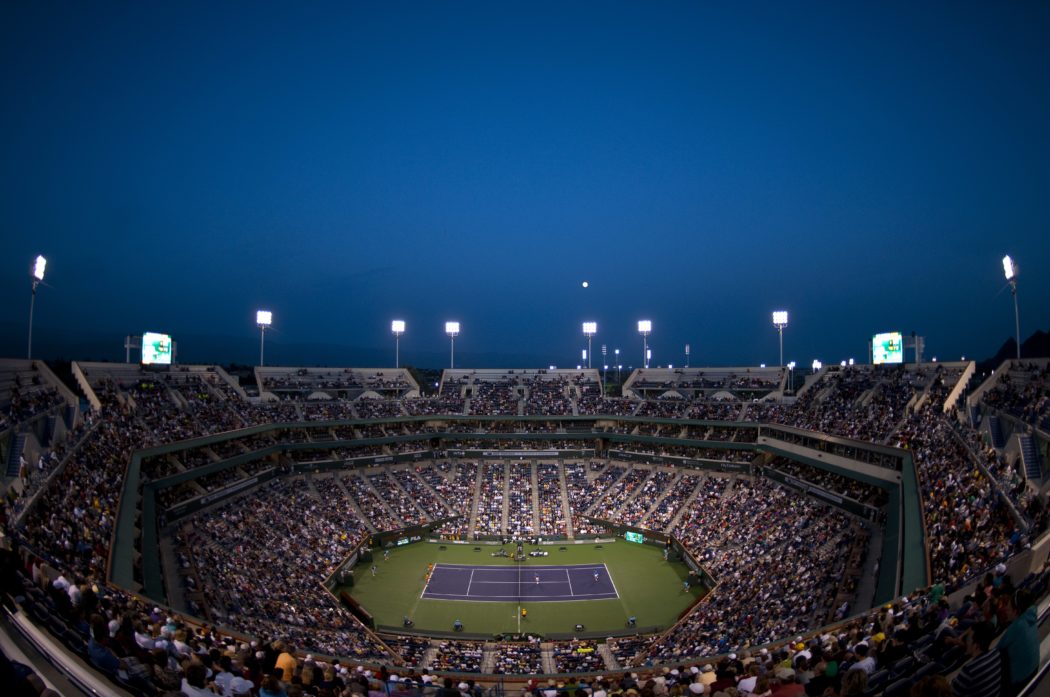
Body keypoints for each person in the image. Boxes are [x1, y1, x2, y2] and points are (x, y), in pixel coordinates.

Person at [951, 621, 1000, 697]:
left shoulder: (969, 671)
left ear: (976, 646)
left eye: (969, 639)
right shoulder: (995, 654)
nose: (967, 641)